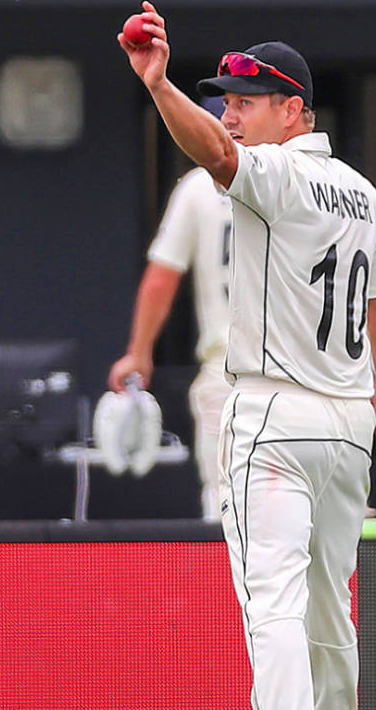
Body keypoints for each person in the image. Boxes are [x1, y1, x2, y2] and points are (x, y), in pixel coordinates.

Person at [119, 2, 376, 710]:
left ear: (295, 111)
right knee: (327, 608)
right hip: (350, 423)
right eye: (225, 102)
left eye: (247, 103)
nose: (230, 116)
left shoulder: (272, 172)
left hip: (275, 415)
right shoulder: (363, 193)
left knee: (275, 601)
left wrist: (158, 85)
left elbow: (221, 158)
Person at [108, 99, 233, 521]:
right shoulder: (301, 180)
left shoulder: (199, 185)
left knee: (227, 508)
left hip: (229, 372)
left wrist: (139, 351)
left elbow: (162, 278)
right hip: (305, 379)